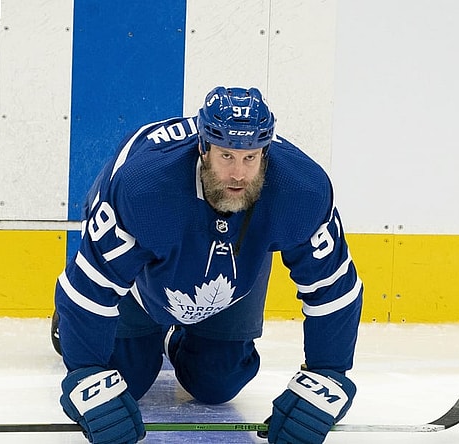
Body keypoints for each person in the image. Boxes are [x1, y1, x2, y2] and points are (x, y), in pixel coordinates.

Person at [53, 86, 363, 444]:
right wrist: (87, 373)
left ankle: (176, 335)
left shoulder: (303, 190)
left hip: (235, 270)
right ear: (203, 148)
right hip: (144, 271)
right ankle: (81, 326)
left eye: (250, 158)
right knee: (128, 377)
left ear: (266, 151)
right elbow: (89, 287)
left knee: (218, 382)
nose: (238, 174)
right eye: (226, 156)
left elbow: (333, 287)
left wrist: (328, 373)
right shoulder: (142, 187)